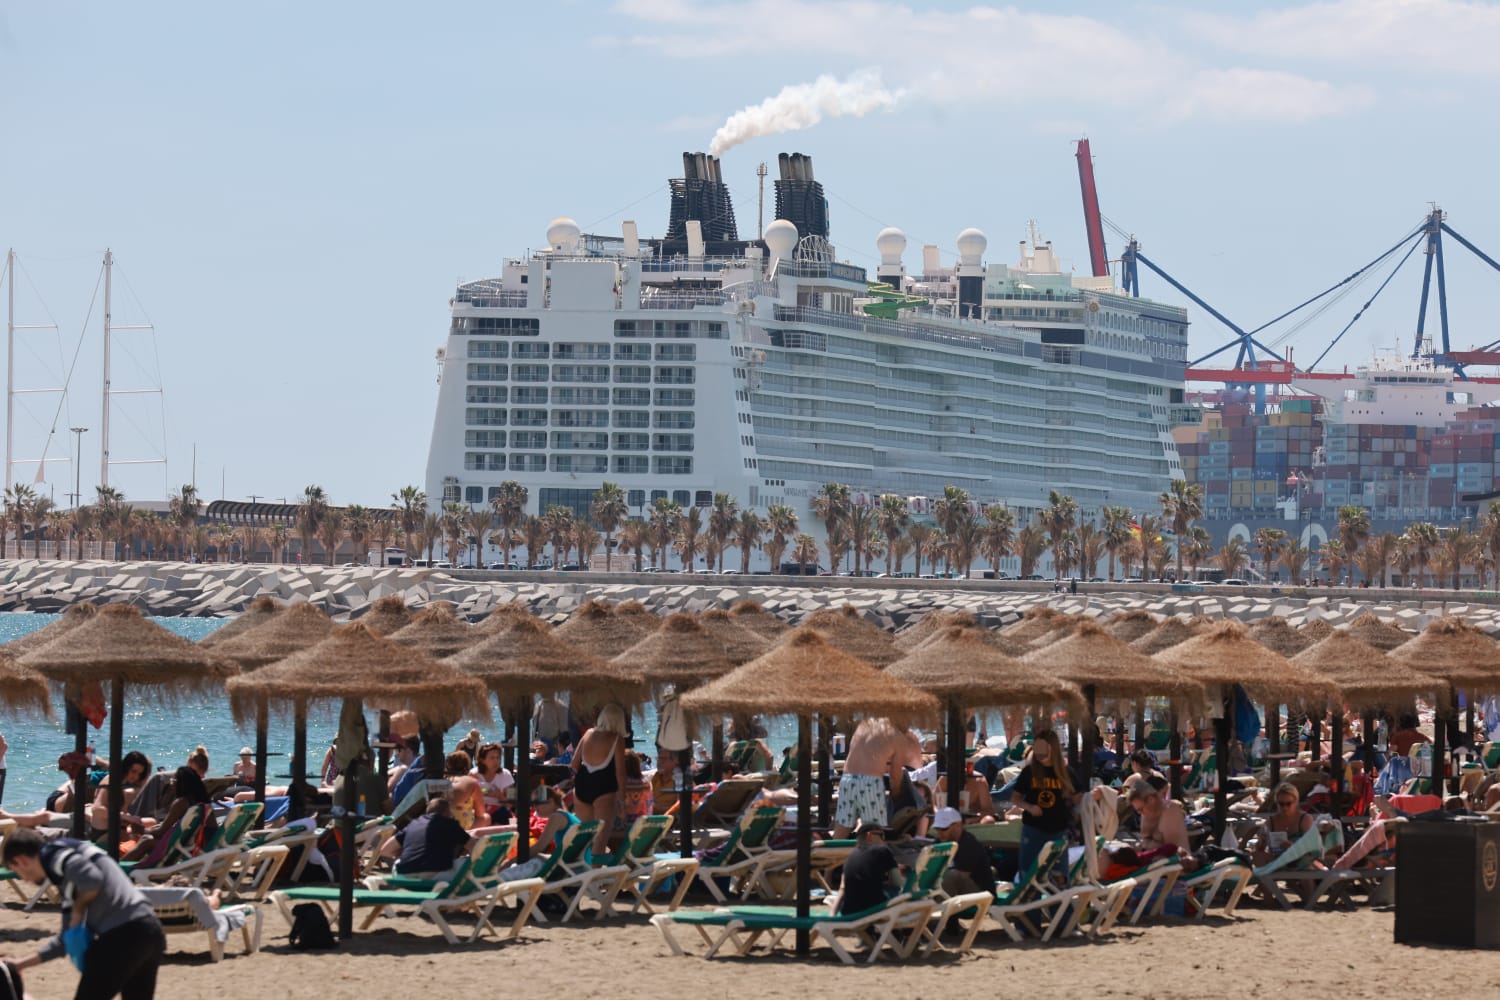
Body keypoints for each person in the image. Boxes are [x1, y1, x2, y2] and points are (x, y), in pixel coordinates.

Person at [1, 827, 166, 1000]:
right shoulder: (71, 866)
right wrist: (21, 964)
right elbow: (65, 939)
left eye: (16, 870)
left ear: (22, 860)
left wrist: (78, 911)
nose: (24, 879)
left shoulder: (52, 854)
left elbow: (91, 879)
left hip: (122, 936)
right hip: (151, 931)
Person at [999, 728, 1075, 876]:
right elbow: (1015, 798)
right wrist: (1029, 807)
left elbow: (1079, 796)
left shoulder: (1066, 772)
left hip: (1058, 831)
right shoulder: (1029, 772)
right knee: (1028, 874)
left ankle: (1057, 899)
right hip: (1034, 830)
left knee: (1059, 876)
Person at [571, 703, 629, 855]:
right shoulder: (617, 738)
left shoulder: (588, 733)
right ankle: (596, 875)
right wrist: (622, 800)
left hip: (582, 784)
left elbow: (574, 765)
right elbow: (620, 773)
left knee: (586, 835)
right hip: (603, 786)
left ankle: (582, 872)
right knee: (600, 838)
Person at [833, 717, 905, 838]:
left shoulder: (864, 725)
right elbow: (895, 775)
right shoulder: (896, 736)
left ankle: (830, 855)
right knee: (874, 831)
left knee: (841, 829)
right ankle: (874, 856)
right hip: (870, 782)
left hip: (847, 779)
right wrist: (897, 794)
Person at [391, 797, 471, 879]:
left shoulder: (412, 824)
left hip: (404, 875)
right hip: (436, 875)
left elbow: (385, 850)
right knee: (466, 861)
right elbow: (475, 848)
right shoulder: (450, 824)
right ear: (448, 812)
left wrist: (407, 854)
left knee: (399, 861)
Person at [838, 819, 901, 915]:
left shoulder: (850, 856)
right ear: (869, 836)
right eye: (881, 836)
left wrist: (832, 915)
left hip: (849, 912)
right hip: (872, 909)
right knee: (896, 890)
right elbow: (897, 882)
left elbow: (843, 888)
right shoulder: (882, 850)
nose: (884, 840)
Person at [930, 806, 995, 896]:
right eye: (937, 828)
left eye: (944, 829)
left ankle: (942, 907)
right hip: (962, 892)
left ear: (958, 826)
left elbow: (961, 877)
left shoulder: (969, 844)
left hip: (981, 894)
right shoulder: (940, 842)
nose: (940, 832)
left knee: (951, 876)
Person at [1249, 781, 1316, 867]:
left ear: (1296, 802)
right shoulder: (1271, 821)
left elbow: (1311, 847)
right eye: (1281, 804)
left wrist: (1293, 847)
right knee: (1257, 855)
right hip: (1277, 861)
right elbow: (1261, 849)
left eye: (1288, 804)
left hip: (1299, 859)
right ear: (1276, 803)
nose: (1285, 807)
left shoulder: (1304, 819)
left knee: (1307, 865)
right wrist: (1261, 844)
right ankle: (1266, 879)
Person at [1128, 779, 1192, 862]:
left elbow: (1173, 851)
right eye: (1137, 811)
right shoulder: (1146, 814)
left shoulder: (1170, 811)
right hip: (1157, 864)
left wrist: (1146, 847)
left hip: (1178, 866)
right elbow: (1145, 841)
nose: (1140, 813)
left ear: (1151, 799)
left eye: (1141, 809)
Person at [471, 742, 514, 825]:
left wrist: (499, 796)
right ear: (482, 760)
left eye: (498, 758)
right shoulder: (473, 774)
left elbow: (511, 803)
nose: (496, 761)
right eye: (492, 758)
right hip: (478, 810)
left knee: (504, 813)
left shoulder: (506, 775)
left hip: (498, 811)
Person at [445, 751, 488, 830]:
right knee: (485, 817)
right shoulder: (471, 782)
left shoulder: (442, 780)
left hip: (441, 824)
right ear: (467, 765)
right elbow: (480, 812)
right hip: (462, 827)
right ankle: (469, 838)